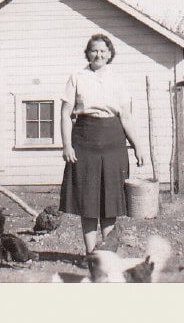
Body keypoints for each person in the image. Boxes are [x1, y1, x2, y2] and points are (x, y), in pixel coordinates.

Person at [59, 33, 148, 257]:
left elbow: (126, 116)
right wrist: (67, 146)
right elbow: (64, 114)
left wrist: (137, 145)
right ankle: (91, 255)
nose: (98, 54)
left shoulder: (118, 80)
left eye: (103, 51)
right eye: (94, 50)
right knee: (88, 202)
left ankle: (107, 254)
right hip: (84, 140)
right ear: (87, 53)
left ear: (110, 55)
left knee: (111, 201)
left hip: (113, 141)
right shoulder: (77, 77)